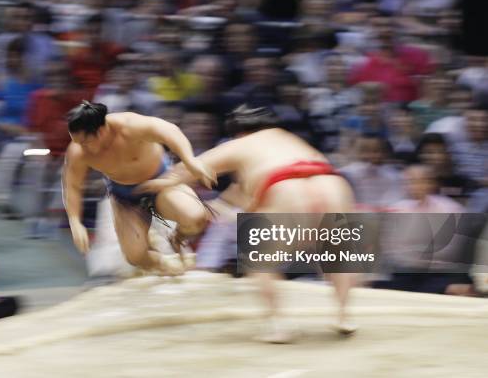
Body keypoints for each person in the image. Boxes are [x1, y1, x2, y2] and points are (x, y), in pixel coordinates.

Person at [138, 104, 357, 343]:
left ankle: (278, 326)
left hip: (286, 188)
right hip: (333, 183)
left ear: (239, 133)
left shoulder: (240, 144)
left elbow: (184, 171)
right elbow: (235, 196)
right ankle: (344, 316)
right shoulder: (290, 140)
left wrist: (141, 189)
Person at [63, 101, 215, 275]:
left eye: (85, 142)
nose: (79, 147)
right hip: (125, 197)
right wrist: (75, 222)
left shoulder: (129, 125)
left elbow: (169, 130)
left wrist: (189, 159)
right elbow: (73, 186)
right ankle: (162, 263)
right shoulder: (78, 151)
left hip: (159, 184)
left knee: (195, 217)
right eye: (77, 142)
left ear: (102, 131)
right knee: (135, 257)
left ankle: (177, 238)